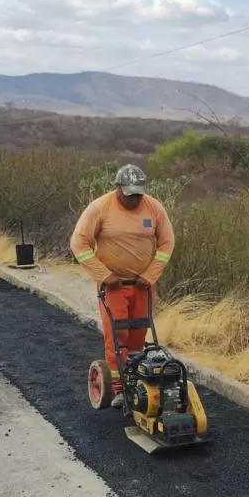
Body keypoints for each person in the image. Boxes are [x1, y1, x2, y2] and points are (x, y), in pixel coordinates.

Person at [70, 164, 175, 407]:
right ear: (117, 188)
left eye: (138, 194)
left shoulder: (154, 208)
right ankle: (118, 388)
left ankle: (140, 384)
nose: (134, 199)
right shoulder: (100, 208)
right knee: (118, 336)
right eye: (129, 194)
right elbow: (79, 244)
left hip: (142, 286)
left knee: (139, 335)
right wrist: (104, 275)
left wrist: (149, 276)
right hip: (113, 287)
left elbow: (167, 244)